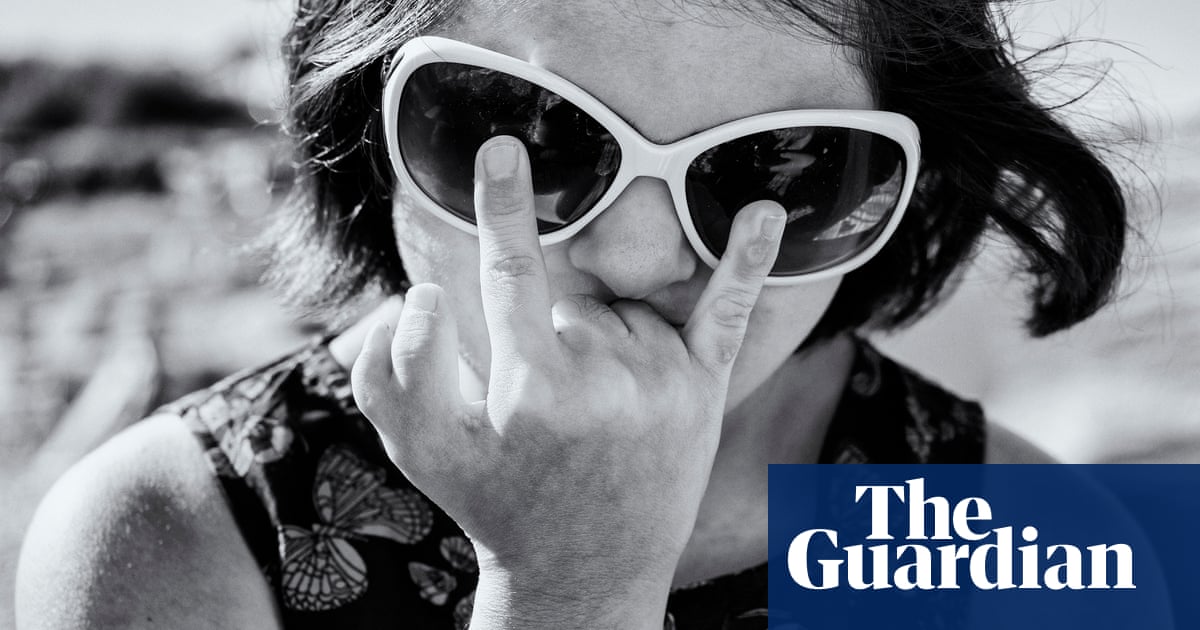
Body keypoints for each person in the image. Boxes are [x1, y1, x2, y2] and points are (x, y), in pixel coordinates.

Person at [15, 0, 1130, 628]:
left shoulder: (1027, 538)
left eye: (781, 175)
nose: (638, 256)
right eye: (528, 137)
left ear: (909, 193)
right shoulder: (172, 539)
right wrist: (573, 589)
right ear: (369, 129)